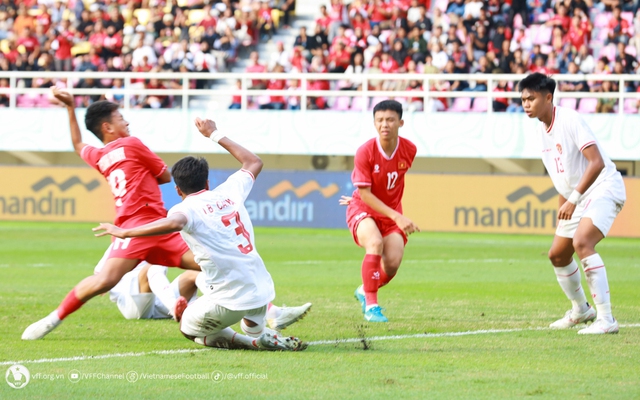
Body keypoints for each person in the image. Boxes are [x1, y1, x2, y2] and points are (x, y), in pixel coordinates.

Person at [93, 118, 308, 351]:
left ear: (177, 189)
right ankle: (260, 332)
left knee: (187, 328)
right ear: (207, 181)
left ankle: (254, 343)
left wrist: (125, 232)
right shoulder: (230, 191)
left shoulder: (184, 209)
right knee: (249, 324)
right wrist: (214, 134)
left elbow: (173, 223)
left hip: (229, 298)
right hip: (262, 287)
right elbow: (253, 161)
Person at [22, 88, 201, 341]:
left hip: (130, 230)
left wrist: (70, 108)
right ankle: (253, 314)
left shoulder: (99, 155)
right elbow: (165, 176)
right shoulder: (132, 143)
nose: (126, 121)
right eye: (120, 118)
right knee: (211, 263)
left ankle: (51, 320)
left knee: (103, 281)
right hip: (153, 227)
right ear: (107, 126)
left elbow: (77, 145)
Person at [519, 73, 626, 334]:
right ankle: (581, 310)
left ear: (548, 97)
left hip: (603, 187)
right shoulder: (538, 132)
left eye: (531, 98)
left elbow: (596, 162)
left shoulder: (569, 119)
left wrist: (574, 200)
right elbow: (562, 176)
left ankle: (607, 318)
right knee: (558, 254)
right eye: (522, 99)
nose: (526, 104)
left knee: (582, 243)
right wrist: (563, 206)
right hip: (576, 196)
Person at [341, 100, 419, 323]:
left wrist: (393, 214)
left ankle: (364, 289)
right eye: (380, 120)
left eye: (390, 120)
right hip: (363, 208)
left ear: (400, 122)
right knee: (375, 243)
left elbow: (388, 182)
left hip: (391, 213)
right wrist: (397, 215)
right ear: (374, 123)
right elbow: (365, 193)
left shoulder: (409, 149)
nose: (385, 124)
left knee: (392, 263)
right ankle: (372, 306)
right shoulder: (365, 152)